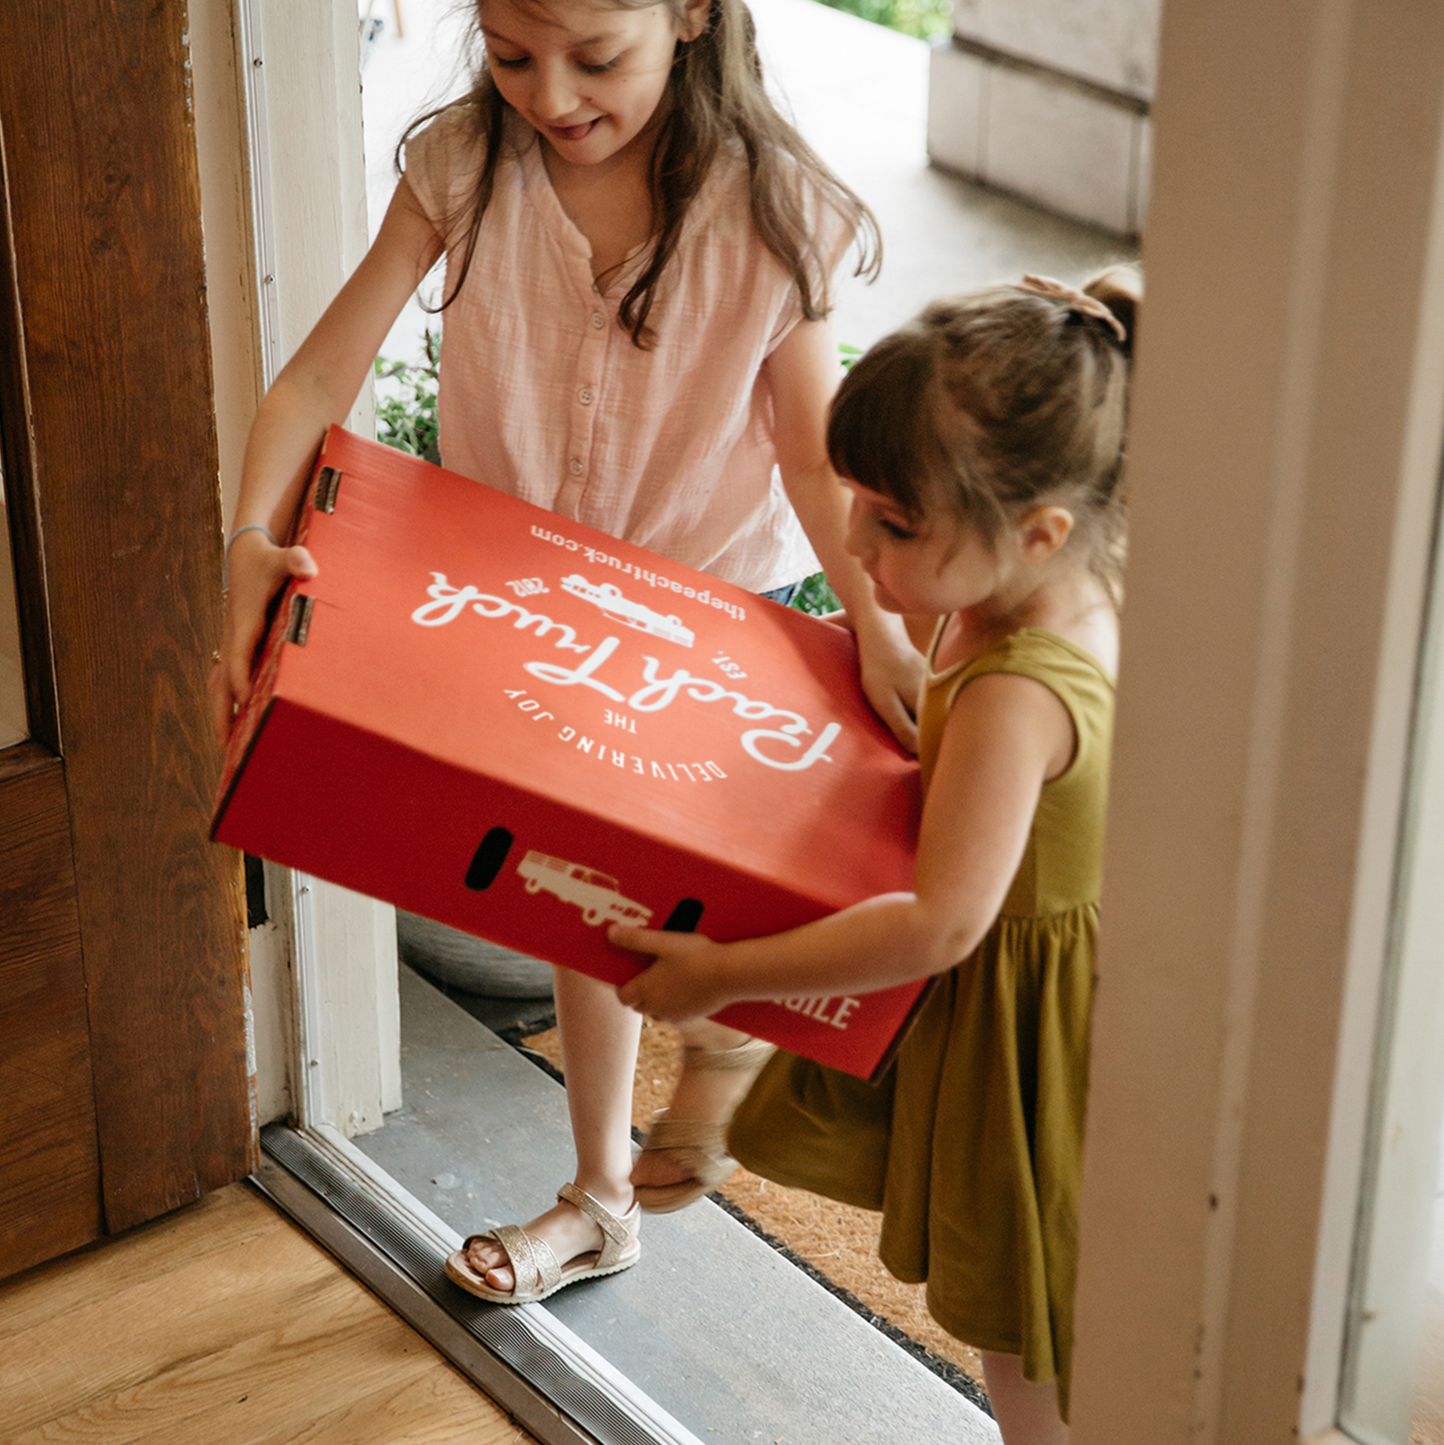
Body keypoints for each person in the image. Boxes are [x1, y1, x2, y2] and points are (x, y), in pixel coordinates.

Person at [209, 0, 923, 1307]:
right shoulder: (464, 167)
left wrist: (877, 624)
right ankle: (604, 1194)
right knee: (574, 895)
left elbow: (815, 452)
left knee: (685, 877)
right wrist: (249, 536)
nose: (552, 94)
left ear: (693, 14)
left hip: (689, 614)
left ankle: (714, 1060)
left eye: (596, 57)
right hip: (515, 597)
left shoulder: (769, 209)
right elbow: (315, 380)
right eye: (509, 52)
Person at [612, 267, 1140, 1444]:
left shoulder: (1016, 687)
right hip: (1039, 977)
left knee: (1029, 1336)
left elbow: (940, 921)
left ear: (1036, 529)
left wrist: (721, 975)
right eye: (858, 501)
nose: (853, 538)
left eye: (893, 522)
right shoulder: (1048, 581)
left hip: (1023, 1023)